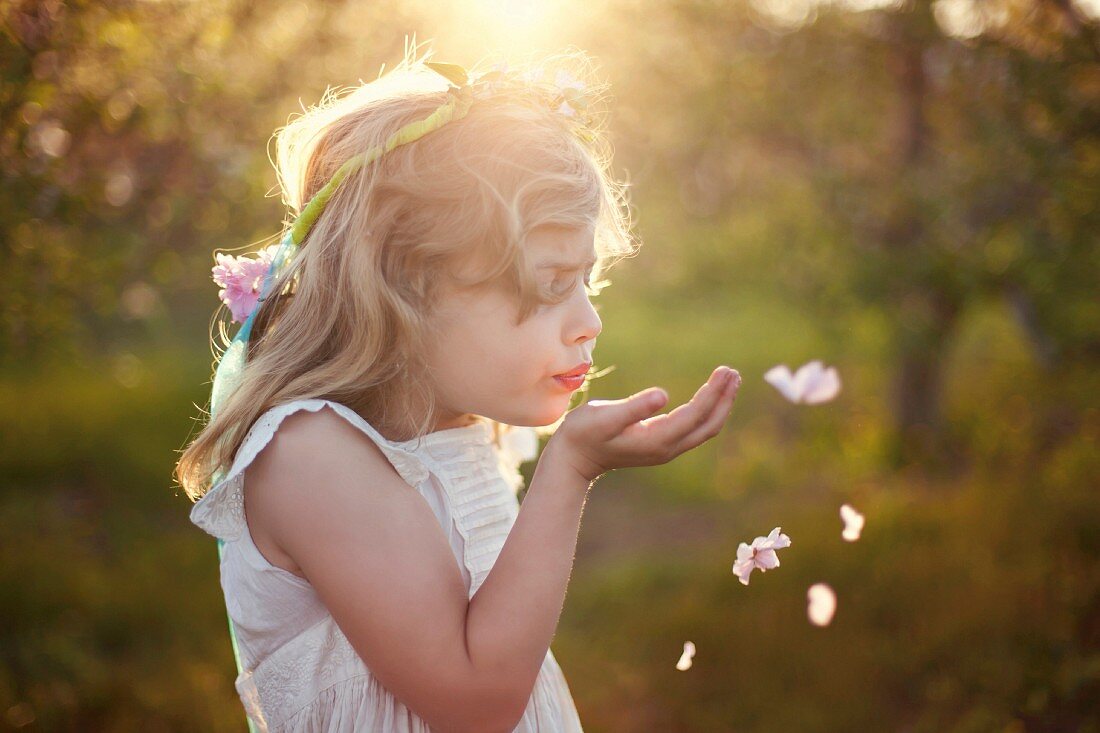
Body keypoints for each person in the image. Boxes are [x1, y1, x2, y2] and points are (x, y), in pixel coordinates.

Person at [174, 40, 742, 733]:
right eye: (554, 284)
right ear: (407, 286)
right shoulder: (311, 456)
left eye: (586, 283)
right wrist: (572, 467)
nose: (589, 322)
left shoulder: (457, 424)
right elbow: (476, 700)